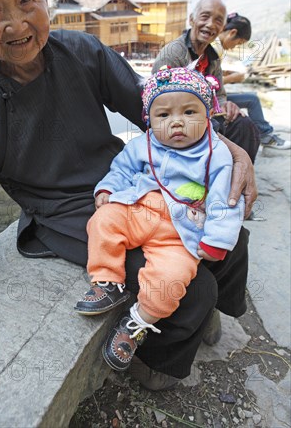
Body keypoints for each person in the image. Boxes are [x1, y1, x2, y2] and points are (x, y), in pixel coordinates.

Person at [0, 0, 256, 393]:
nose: (16, 24)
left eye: (25, 0)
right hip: (65, 211)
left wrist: (228, 147)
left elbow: (151, 106)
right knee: (189, 287)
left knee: (231, 238)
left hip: (130, 181)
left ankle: (214, 313)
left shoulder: (81, 51)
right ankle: (155, 362)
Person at [75, 67, 244, 372]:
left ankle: (137, 322)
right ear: (149, 120)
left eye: (189, 112)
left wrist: (217, 240)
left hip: (181, 231)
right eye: (163, 115)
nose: (176, 122)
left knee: (172, 280)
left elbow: (225, 201)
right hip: (139, 208)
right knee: (102, 220)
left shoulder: (216, 154)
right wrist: (108, 188)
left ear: (207, 115)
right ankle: (107, 281)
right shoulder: (144, 144)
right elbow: (122, 169)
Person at [152, 0, 260, 163]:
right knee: (215, 131)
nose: (210, 24)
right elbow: (162, 106)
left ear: (222, 27)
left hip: (206, 116)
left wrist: (226, 104)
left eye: (218, 20)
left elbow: (220, 94)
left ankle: (238, 180)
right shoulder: (173, 54)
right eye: (204, 17)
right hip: (180, 122)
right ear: (192, 19)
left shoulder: (213, 57)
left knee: (244, 125)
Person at [215, 13, 290, 150]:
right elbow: (204, 83)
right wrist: (232, 79)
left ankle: (265, 134)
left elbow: (213, 75)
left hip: (218, 97)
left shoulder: (216, 47)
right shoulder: (213, 48)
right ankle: (265, 137)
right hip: (211, 101)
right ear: (232, 33)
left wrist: (225, 74)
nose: (233, 48)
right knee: (251, 102)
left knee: (252, 98)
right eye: (238, 43)